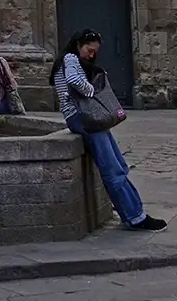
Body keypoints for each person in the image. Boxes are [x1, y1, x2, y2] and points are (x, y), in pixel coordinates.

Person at [51, 29, 165, 231]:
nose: (92, 54)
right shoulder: (70, 58)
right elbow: (74, 81)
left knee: (119, 164)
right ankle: (135, 217)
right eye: (89, 49)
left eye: (95, 51)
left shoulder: (69, 60)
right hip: (83, 117)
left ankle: (131, 211)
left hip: (82, 118)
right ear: (78, 44)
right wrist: (93, 89)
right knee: (112, 169)